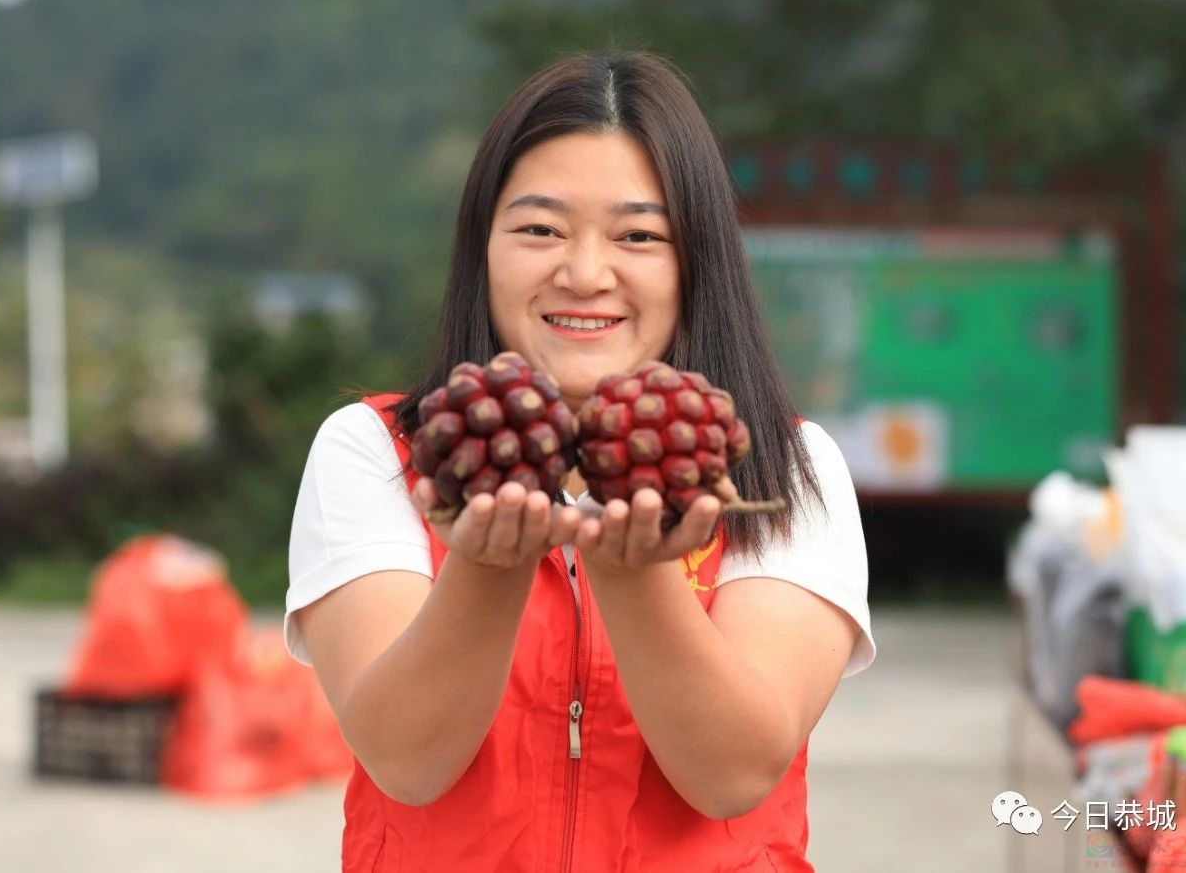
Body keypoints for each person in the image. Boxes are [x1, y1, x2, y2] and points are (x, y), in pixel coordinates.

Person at [285, 51, 874, 872]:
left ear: (697, 259)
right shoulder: (374, 451)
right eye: (540, 230)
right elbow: (407, 760)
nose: (586, 274)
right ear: (481, 247)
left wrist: (633, 574)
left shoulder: (785, 466)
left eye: (638, 235)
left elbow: (734, 772)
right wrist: (488, 563)